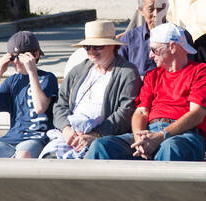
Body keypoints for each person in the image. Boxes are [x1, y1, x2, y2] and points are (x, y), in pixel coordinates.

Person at [86, 23, 206, 162]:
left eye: (154, 50)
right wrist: (140, 139)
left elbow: (196, 115)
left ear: (173, 47)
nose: (150, 55)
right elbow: (141, 112)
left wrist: (161, 136)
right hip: (149, 133)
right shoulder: (153, 75)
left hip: (184, 135)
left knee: (170, 148)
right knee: (101, 145)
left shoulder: (202, 72)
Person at [40, 21, 141, 159]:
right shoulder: (78, 70)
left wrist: (95, 134)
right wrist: (66, 129)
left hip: (103, 137)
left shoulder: (127, 72)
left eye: (97, 46)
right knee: (47, 162)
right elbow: (60, 105)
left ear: (112, 46)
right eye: (87, 47)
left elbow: (125, 112)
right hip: (70, 135)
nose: (92, 51)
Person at [0, 30, 59, 158]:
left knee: (22, 156)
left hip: (37, 138)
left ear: (36, 54)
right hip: (11, 138)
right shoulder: (12, 81)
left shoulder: (48, 78)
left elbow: (40, 108)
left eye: (20, 57)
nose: (15, 62)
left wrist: (32, 72)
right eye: (12, 57)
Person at [118, 0, 169, 77]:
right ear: (141, 10)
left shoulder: (181, 36)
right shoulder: (129, 39)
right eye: (150, 9)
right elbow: (119, 73)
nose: (156, 14)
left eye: (161, 8)